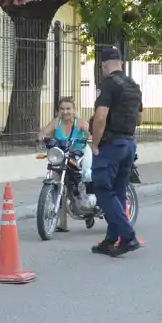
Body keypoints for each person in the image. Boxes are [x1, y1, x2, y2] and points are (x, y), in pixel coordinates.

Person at [89, 47, 142, 256]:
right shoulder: (133, 86)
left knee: (102, 190)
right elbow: (139, 119)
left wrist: (95, 143)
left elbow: (100, 117)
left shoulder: (108, 85)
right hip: (128, 144)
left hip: (111, 146)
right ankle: (111, 239)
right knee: (118, 192)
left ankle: (128, 237)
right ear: (120, 62)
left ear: (103, 65)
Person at [37, 96, 93, 232]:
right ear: (58, 111)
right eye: (62, 109)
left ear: (74, 110)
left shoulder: (79, 123)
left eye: (68, 108)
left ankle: (89, 204)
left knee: (86, 175)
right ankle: (63, 224)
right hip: (62, 155)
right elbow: (43, 132)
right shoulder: (56, 122)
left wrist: (90, 136)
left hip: (80, 154)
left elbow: (91, 131)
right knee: (59, 187)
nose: (65, 111)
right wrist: (41, 137)